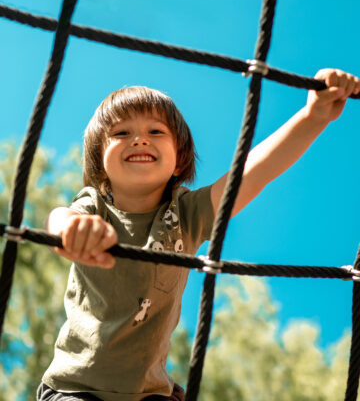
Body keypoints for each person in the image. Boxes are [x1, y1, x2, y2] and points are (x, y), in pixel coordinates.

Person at [37, 69, 359, 401]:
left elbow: (254, 172)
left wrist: (312, 116)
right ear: (100, 163)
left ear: (179, 161)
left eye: (155, 130)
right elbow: (61, 217)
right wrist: (71, 231)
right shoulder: (95, 207)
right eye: (121, 132)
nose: (140, 138)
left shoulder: (187, 216)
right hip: (77, 388)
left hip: (150, 393)